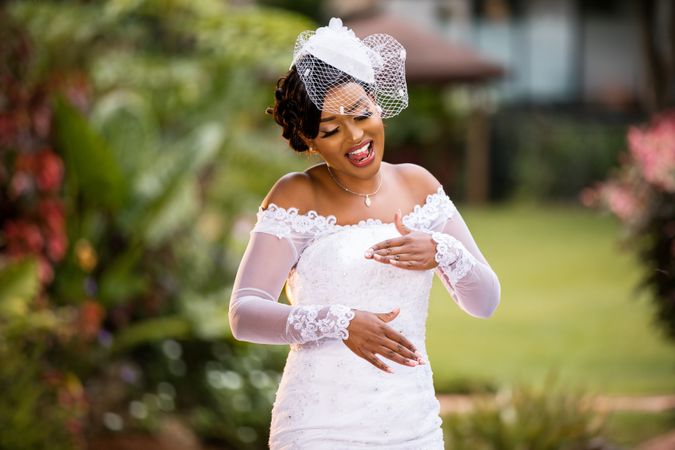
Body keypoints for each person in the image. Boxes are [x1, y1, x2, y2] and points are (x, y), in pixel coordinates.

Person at [228, 17, 500, 449]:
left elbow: (485, 301)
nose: (355, 137)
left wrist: (444, 251)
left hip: (411, 423)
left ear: (377, 103)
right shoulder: (296, 194)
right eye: (332, 130)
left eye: (361, 114)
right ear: (309, 141)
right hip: (318, 425)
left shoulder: (419, 186)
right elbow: (244, 314)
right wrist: (340, 322)